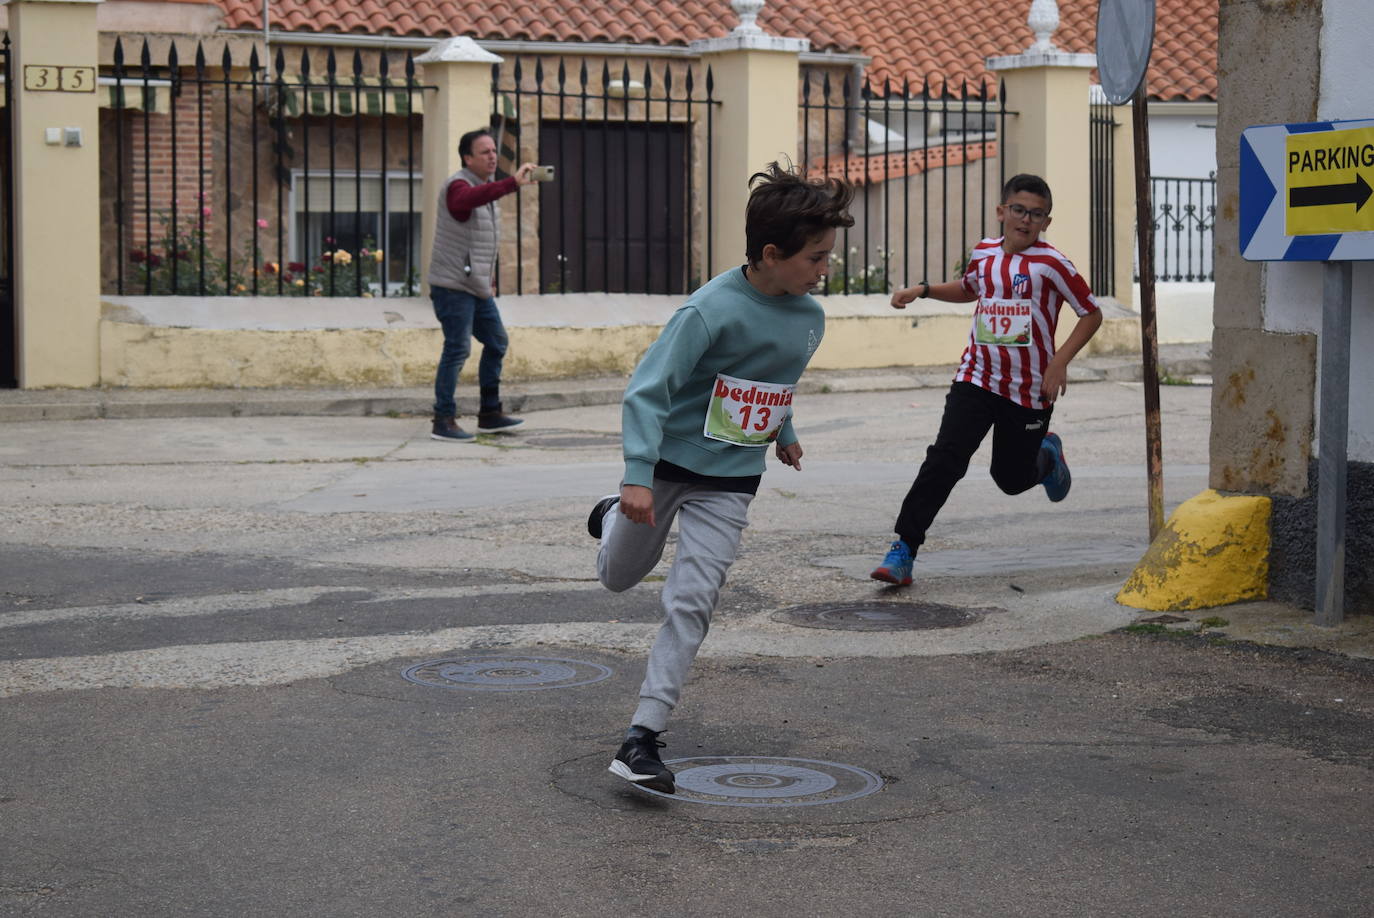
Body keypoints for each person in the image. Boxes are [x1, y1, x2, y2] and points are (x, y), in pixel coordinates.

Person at [588, 161, 855, 794]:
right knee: (618, 577)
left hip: (733, 477)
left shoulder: (808, 316)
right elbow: (648, 391)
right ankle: (606, 518)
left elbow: (772, 380)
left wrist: (782, 433)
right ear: (771, 253)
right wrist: (635, 476)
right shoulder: (707, 311)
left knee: (693, 601)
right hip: (667, 466)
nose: (825, 269)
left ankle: (642, 738)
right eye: (816, 257)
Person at [870, 173, 1103, 586]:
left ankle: (1047, 457)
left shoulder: (1053, 265)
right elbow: (969, 288)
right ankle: (903, 549)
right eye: (1018, 210)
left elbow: (1091, 312)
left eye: (1036, 214)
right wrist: (922, 290)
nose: (1025, 220)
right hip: (976, 378)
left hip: (1029, 390)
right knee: (944, 460)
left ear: (1046, 222)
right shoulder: (984, 252)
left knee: (1010, 480)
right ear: (1002, 212)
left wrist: (1059, 362)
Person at [427, 128, 536, 441]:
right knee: (457, 349)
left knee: (497, 342)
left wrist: (487, 277)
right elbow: (467, 201)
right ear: (467, 157)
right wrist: (511, 183)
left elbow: (479, 242)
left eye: (493, 151)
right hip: (452, 286)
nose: (492, 157)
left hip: (476, 287)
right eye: (484, 152)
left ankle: (489, 413)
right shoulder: (458, 186)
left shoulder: (487, 190)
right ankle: (443, 419)